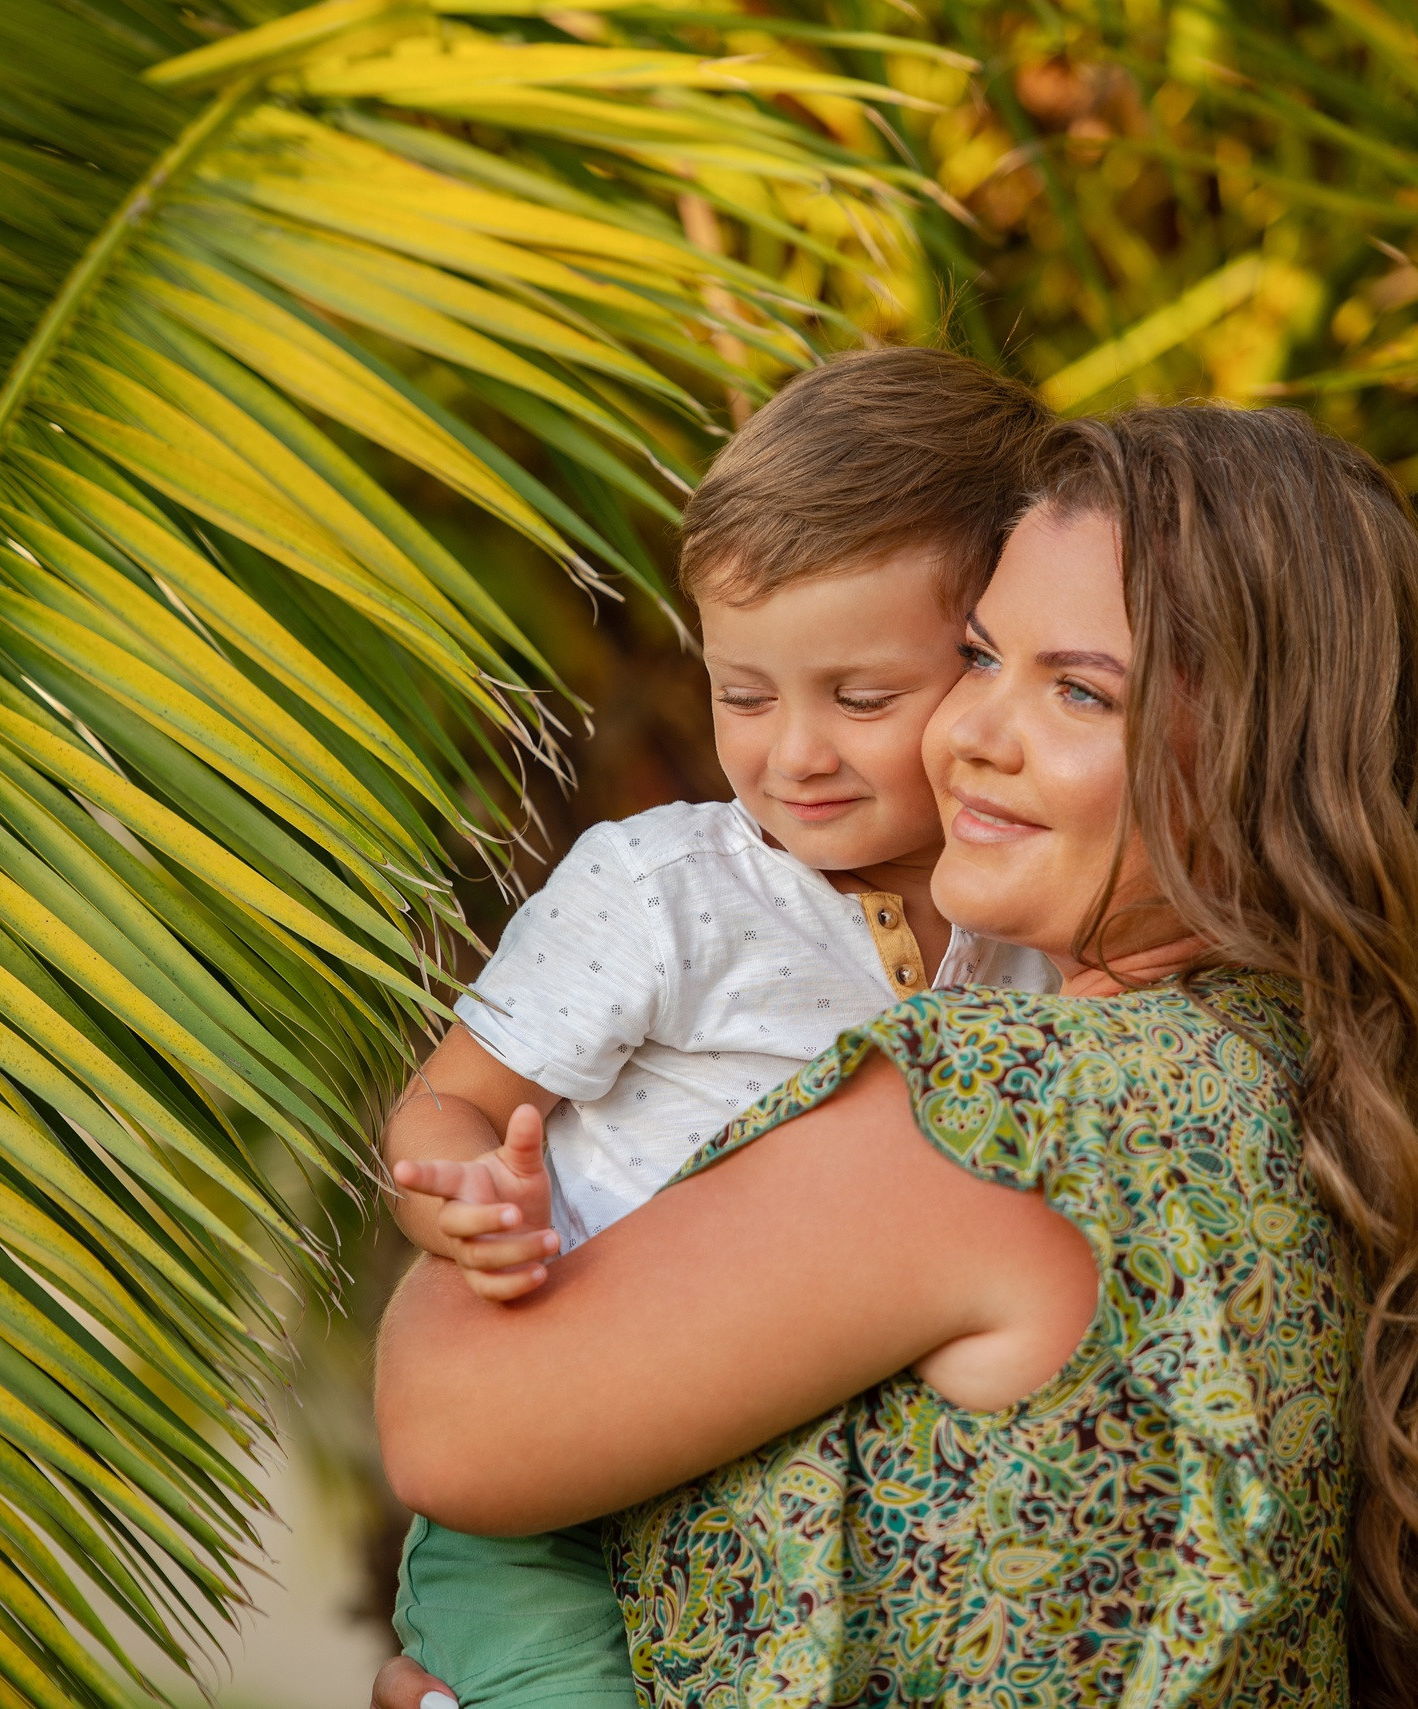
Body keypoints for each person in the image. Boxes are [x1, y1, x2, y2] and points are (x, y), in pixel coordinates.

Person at [375, 403, 1418, 1708]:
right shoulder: (1311, 1065)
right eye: (979, 656)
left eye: (1076, 688)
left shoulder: (1008, 1112)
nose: (967, 735)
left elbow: (450, 1424)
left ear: (1259, 754)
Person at [377, 346, 1059, 1709]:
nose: (790, 752)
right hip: (546, 1523)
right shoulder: (663, 889)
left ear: (994, 667)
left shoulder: (1028, 920)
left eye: (861, 698)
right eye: (742, 693)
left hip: (786, 1497)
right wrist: (463, 1204)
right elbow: (444, 1101)